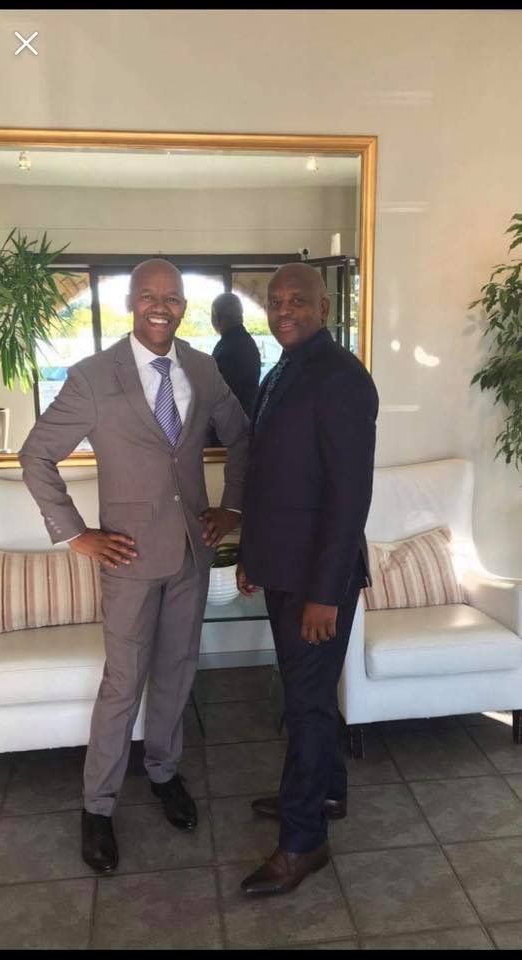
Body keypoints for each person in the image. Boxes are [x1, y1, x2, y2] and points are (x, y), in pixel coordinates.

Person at [19, 258, 249, 874]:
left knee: (176, 671)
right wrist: (77, 535)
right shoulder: (95, 377)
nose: (160, 306)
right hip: (127, 556)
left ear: (182, 306)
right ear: (129, 301)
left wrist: (231, 508)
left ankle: (164, 772)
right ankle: (97, 807)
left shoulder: (203, 367)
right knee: (123, 684)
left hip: (192, 554)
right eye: (148, 296)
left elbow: (242, 435)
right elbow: (36, 455)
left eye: (171, 297)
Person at [236, 262, 378, 897]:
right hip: (283, 567)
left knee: (306, 702)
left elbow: (349, 497)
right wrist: (252, 554)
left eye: (298, 300)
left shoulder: (341, 377)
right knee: (311, 698)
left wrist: (325, 591)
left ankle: (302, 842)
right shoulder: (286, 367)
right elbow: (276, 477)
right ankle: (324, 794)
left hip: (318, 580)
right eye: (275, 301)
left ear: (325, 306)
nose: (284, 310)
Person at [208, 292, 261, 445]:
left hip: (231, 432)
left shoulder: (229, 349)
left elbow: (222, 397)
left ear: (216, 318)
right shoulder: (244, 342)